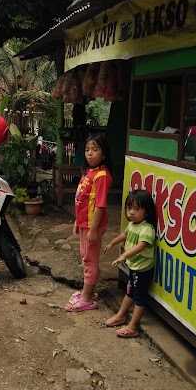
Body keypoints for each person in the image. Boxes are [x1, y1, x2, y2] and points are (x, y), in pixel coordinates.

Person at [65, 133, 113, 312]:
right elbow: (83, 199)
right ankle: (88, 292)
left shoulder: (101, 176)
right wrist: (78, 220)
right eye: (87, 150)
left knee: (89, 260)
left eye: (95, 149)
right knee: (87, 258)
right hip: (85, 224)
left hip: (92, 226)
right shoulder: (90, 173)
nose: (90, 153)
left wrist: (93, 229)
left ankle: (86, 298)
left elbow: (100, 205)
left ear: (104, 154)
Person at [102, 189, 156, 338]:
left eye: (136, 209)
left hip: (142, 269)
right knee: (130, 292)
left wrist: (123, 255)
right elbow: (124, 235)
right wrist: (112, 243)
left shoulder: (147, 228)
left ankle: (133, 326)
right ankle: (121, 315)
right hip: (134, 267)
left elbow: (141, 246)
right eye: (129, 208)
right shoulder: (133, 224)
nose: (131, 212)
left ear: (146, 211)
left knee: (139, 298)